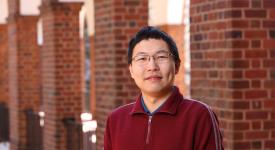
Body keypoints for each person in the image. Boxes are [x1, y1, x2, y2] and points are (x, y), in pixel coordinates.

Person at [104, 26, 224, 150]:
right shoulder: (116, 120)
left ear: (176, 65)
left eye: (161, 57)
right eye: (142, 58)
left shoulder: (199, 115)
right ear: (131, 70)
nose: (152, 66)